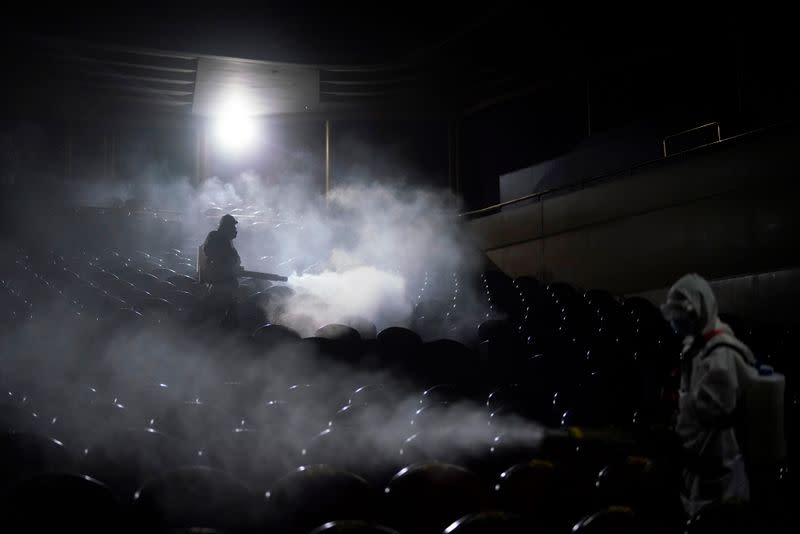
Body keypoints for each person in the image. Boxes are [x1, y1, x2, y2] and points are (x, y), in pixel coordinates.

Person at [661, 273, 755, 517]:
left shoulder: (721, 357)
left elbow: (710, 420)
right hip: (698, 472)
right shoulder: (697, 347)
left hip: (718, 472)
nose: (677, 323)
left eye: (682, 316)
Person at [200, 213, 243, 326]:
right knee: (219, 318)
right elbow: (221, 259)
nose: (235, 230)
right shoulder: (217, 238)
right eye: (233, 227)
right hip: (221, 286)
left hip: (226, 286)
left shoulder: (226, 241)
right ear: (226, 227)